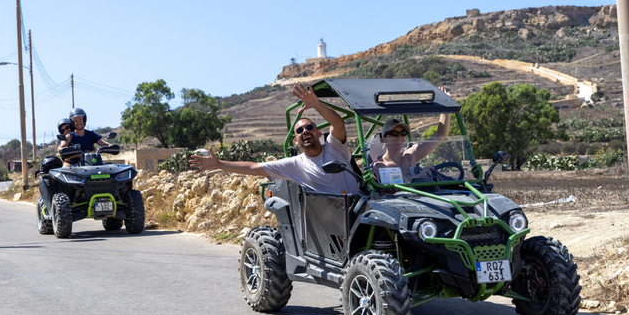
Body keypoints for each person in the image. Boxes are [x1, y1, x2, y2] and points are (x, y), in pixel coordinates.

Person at [189, 83, 359, 194]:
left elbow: (338, 125)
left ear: (319, 133)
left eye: (309, 127)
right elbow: (255, 167)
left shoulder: (335, 148)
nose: (305, 131)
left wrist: (317, 104)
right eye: (299, 130)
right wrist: (219, 164)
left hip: (358, 207)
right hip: (331, 219)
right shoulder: (294, 165)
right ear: (295, 140)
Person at [371, 109, 451, 184]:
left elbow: (441, 135)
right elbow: (398, 183)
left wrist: (447, 107)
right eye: (394, 134)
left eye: (402, 133)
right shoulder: (378, 165)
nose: (399, 137)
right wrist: (419, 176)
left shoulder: (409, 157)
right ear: (384, 139)